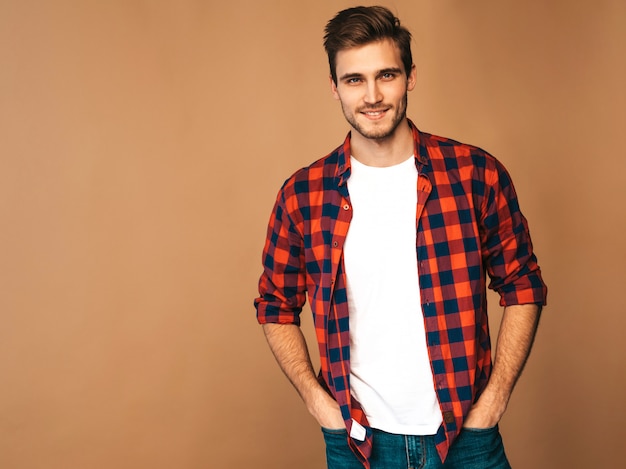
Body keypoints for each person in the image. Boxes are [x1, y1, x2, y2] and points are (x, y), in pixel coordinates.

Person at [254, 5, 547, 468]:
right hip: (358, 442)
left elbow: (522, 285)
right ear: (334, 87)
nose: (372, 95)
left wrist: (494, 401)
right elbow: (275, 304)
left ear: (410, 76)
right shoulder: (303, 195)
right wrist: (317, 401)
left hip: (464, 436)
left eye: (386, 75)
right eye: (354, 80)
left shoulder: (475, 174)